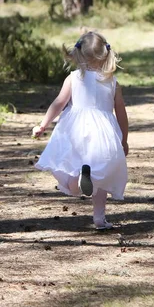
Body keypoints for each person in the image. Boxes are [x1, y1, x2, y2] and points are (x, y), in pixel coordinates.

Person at [32, 31, 129, 230]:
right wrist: (124, 139)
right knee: (102, 176)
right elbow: (121, 112)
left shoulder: (73, 78)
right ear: (105, 55)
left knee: (73, 171)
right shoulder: (112, 82)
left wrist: (43, 124)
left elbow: (59, 103)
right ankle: (99, 219)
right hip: (103, 132)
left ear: (78, 55)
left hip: (75, 130)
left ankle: (77, 180)